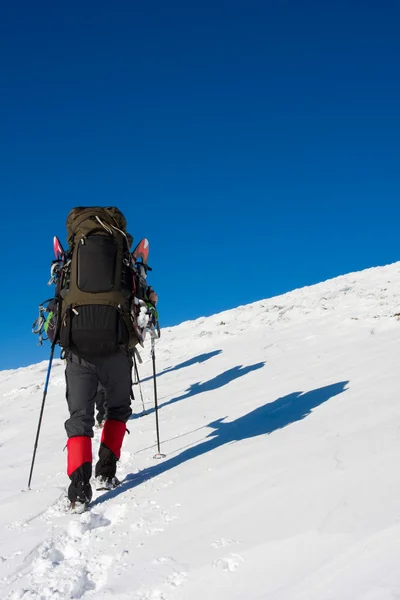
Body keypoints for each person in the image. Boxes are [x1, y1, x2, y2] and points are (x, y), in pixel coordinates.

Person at [47, 206, 158, 511]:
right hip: (117, 352)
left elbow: (57, 302)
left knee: (79, 421)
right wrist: (151, 300)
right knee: (118, 410)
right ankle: (106, 474)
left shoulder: (71, 263)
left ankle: (79, 490)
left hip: (78, 352)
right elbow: (143, 302)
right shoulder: (124, 263)